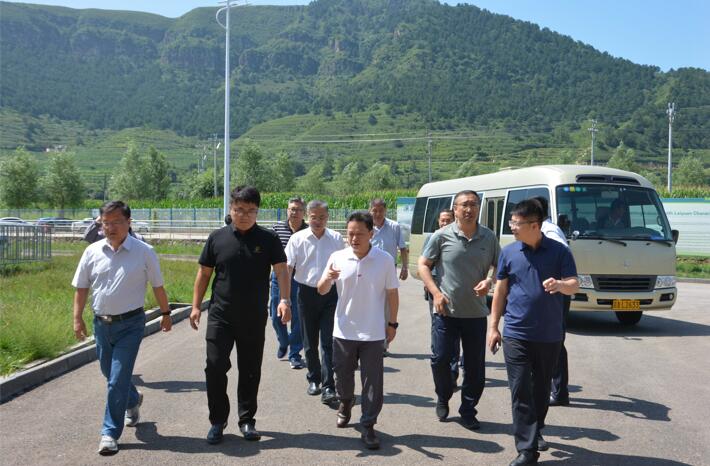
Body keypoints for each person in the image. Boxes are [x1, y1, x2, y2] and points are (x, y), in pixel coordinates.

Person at [189, 186, 292, 445]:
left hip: (253, 317)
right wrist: (195, 306)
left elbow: (281, 270)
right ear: (231, 209)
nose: (244, 215)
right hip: (220, 316)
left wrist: (284, 300)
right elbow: (204, 274)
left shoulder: (268, 239)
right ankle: (217, 421)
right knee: (215, 366)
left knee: (250, 369)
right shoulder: (217, 238)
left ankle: (247, 420)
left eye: (250, 210)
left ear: (257, 211)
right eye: (239, 210)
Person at [71, 200, 172, 456]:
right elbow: (81, 287)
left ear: (129, 222)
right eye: (106, 223)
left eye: (117, 222)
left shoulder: (144, 251)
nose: (111, 227)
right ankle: (133, 399)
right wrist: (77, 318)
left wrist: (166, 314)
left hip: (131, 324)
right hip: (101, 324)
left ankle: (109, 434)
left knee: (116, 379)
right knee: (110, 373)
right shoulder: (92, 251)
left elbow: (158, 286)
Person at [487, 198, 579, 466]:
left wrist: (560, 285)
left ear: (535, 225)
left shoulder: (560, 252)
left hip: (549, 335)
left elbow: (574, 284)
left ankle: (536, 428)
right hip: (516, 333)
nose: (512, 227)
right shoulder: (509, 252)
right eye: (511, 222)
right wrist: (493, 327)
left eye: (517, 223)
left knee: (540, 389)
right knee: (520, 389)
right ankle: (526, 450)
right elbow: (500, 291)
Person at [317, 211, 399, 450]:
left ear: (371, 234)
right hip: (344, 330)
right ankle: (345, 401)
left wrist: (392, 323)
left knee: (373, 382)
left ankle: (368, 424)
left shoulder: (384, 260)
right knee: (342, 376)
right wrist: (327, 279)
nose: (354, 238)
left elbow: (392, 294)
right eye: (350, 234)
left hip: (373, 332)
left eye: (359, 234)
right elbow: (321, 290)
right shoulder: (338, 257)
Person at [418, 190, 500, 430]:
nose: (469, 209)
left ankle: (468, 410)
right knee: (440, 359)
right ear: (455, 209)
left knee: (475, 367)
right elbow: (423, 265)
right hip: (446, 312)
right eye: (464, 205)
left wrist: (490, 281)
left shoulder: (488, 237)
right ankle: (443, 396)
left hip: (475, 314)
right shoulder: (441, 236)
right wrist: (436, 293)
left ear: (479, 208)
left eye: (473, 204)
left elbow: (500, 266)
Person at [285, 200, 345, 404]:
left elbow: (345, 266)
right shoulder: (297, 238)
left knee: (328, 341)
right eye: (313, 217)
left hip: (330, 295)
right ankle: (314, 379)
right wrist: (285, 298)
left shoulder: (336, 238)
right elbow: (288, 268)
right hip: (306, 293)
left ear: (327, 217)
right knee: (309, 342)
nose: (317, 221)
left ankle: (329, 386)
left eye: (322, 217)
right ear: (307, 216)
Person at [534, 197, 571, 407]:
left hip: (556, 293)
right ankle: (557, 390)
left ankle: (559, 391)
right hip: (552, 292)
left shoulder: (549, 232)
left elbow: (562, 260)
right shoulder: (545, 230)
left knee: (555, 341)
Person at [423, 209, 461, 387]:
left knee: (454, 332)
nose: (445, 223)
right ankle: (439, 363)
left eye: (448, 220)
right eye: (442, 220)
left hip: (453, 292)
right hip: (435, 290)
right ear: (438, 221)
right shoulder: (432, 238)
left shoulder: (457, 238)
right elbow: (425, 265)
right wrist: (429, 285)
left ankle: (452, 372)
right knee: (438, 328)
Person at [270, 197, 307, 369]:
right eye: (292, 209)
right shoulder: (276, 229)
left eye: (298, 209)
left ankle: (295, 353)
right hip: (278, 277)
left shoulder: (308, 231)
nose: (295, 212)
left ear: (304, 212)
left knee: (298, 318)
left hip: (300, 279)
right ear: (287, 210)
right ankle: (284, 341)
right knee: (276, 316)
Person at [369, 198, 408, 357]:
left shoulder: (394, 226)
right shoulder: (366, 226)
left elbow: (403, 248)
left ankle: (383, 344)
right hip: (369, 272)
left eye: (381, 210)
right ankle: (368, 342)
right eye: (374, 210)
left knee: (387, 309)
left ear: (385, 210)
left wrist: (404, 267)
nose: (377, 214)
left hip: (388, 273)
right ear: (370, 210)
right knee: (370, 307)